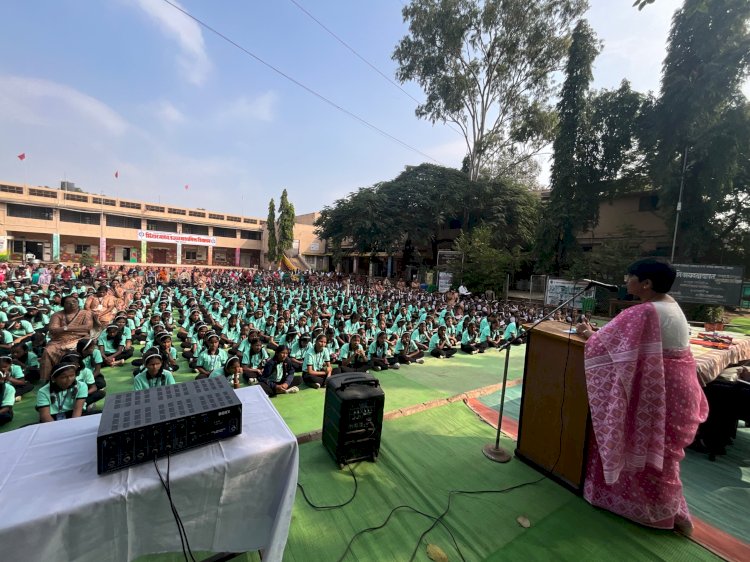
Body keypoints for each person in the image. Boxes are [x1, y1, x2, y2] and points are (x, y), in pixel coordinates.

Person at [575, 258, 708, 534]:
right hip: (678, 387)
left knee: (648, 449)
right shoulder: (671, 306)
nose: (626, 280)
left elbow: (601, 345)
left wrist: (587, 333)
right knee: (660, 454)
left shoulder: (645, 312)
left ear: (645, 284)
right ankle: (668, 510)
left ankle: (656, 512)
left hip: (660, 391)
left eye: (630, 276)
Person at [40, 294, 96, 381]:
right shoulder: (57, 315)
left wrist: (65, 328)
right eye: (68, 303)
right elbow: (53, 329)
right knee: (48, 350)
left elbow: (87, 327)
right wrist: (76, 329)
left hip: (80, 338)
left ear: (78, 303)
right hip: (59, 340)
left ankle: (76, 375)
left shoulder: (85, 313)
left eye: (74, 302)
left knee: (79, 348)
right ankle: (48, 378)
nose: (72, 304)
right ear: (63, 305)